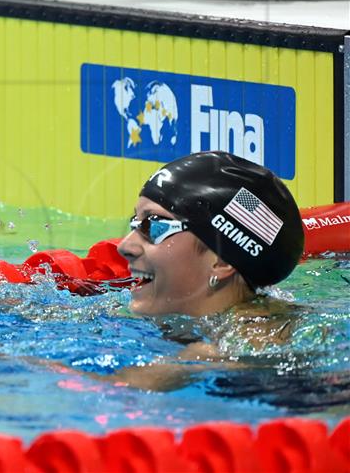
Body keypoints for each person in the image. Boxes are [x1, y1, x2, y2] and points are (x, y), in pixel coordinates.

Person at [73, 150, 306, 390]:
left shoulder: (240, 346)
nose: (125, 246)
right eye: (136, 222)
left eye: (154, 225)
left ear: (221, 262)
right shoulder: (179, 321)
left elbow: (112, 392)